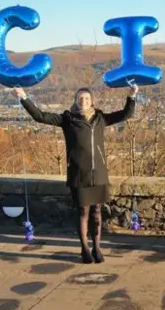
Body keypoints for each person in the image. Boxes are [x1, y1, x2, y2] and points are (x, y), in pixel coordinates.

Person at [13, 83, 138, 264]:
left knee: (97, 212)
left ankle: (97, 247)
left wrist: (132, 95)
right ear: (76, 101)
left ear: (92, 101)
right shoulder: (67, 119)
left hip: (99, 174)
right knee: (83, 213)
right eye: (80, 98)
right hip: (79, 174)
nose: (84, 101)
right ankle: (84, 249)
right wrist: (23, 97)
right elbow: (39, 116)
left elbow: (126, 114)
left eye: (87, 98)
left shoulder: (100, 118)